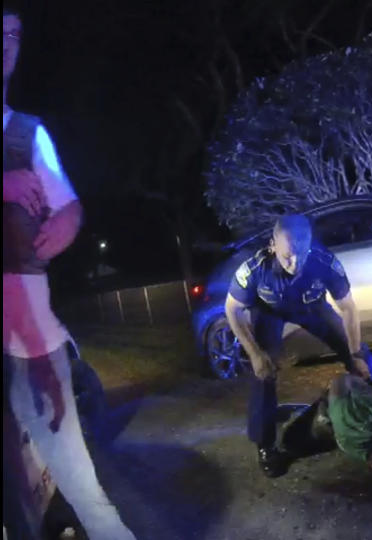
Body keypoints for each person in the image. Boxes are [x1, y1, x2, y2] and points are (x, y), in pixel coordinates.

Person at [2, 6, 137, 540]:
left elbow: (67, 204)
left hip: (35, 343)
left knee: (81, 487)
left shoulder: (30, 134)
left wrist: (70, 220)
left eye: (13, 34)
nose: (6, 43)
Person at [225, 214, 372, 477]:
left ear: (310, 243)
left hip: (312, 307)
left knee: (358, 352)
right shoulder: (254, 269)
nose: (296, 263)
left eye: (303, 253)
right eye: (288, 256)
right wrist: (254, 354)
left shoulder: (325, 262)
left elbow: (348, 308)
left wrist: (355, 353)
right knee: (263, 371)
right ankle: (265, 445)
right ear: (272, 245)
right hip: (269, 312)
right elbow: (232, 309)